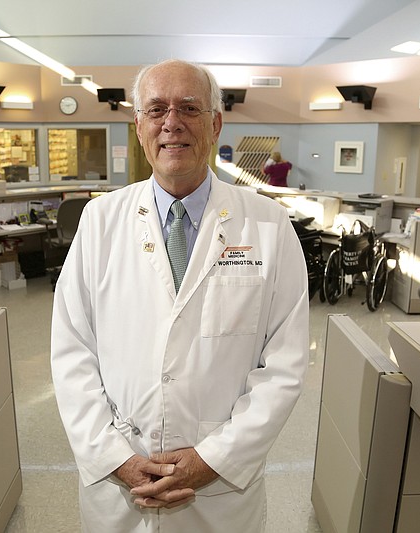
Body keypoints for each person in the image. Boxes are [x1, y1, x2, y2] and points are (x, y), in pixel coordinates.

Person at [51, 59, 310, 532]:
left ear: (214, 124)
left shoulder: (268, 226)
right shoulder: (99, 221)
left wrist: (214, 459)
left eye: (189, 108)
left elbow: (285, 366)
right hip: (121, 483)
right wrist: (116, 458)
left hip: (220, 490)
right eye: (156, 110)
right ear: (139, 126)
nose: (172, 122)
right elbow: (72, 353)